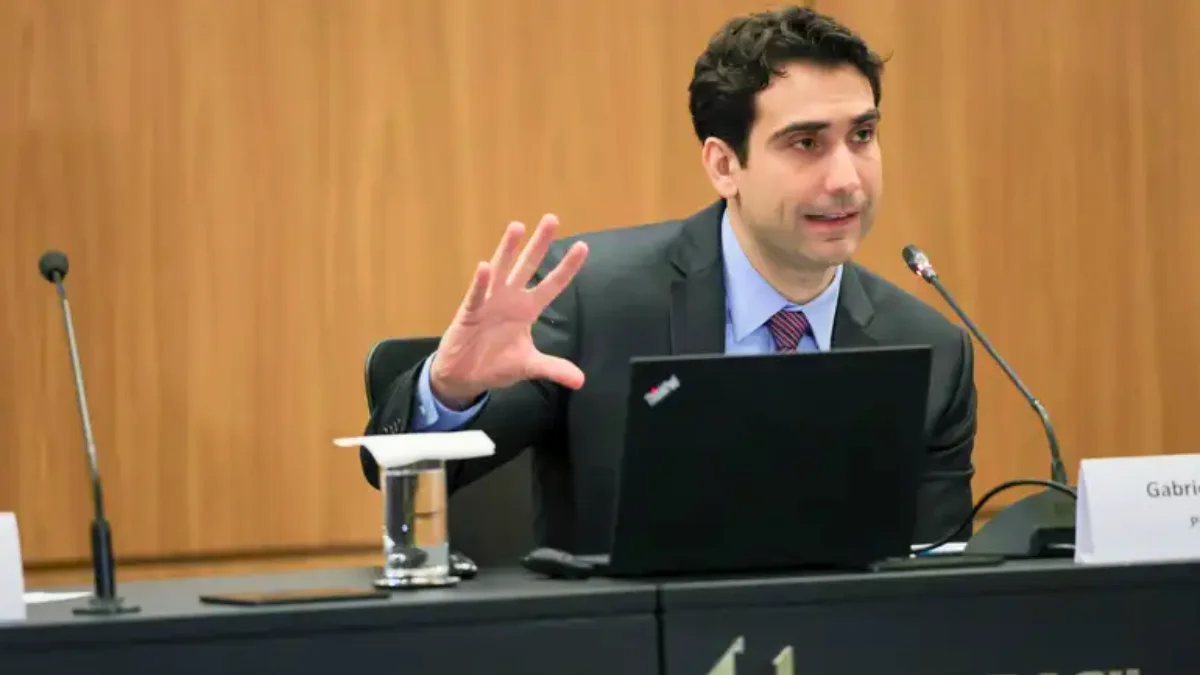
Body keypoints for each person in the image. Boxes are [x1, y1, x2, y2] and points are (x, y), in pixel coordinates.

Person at [363, 5, 976, 554]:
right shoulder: (594, 301)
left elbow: (939, 585)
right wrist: (448, 391)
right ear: (724, 165)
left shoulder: (932, 349)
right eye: (807, 143)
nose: (846, 179)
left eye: (862, 136)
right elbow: (406, 473)